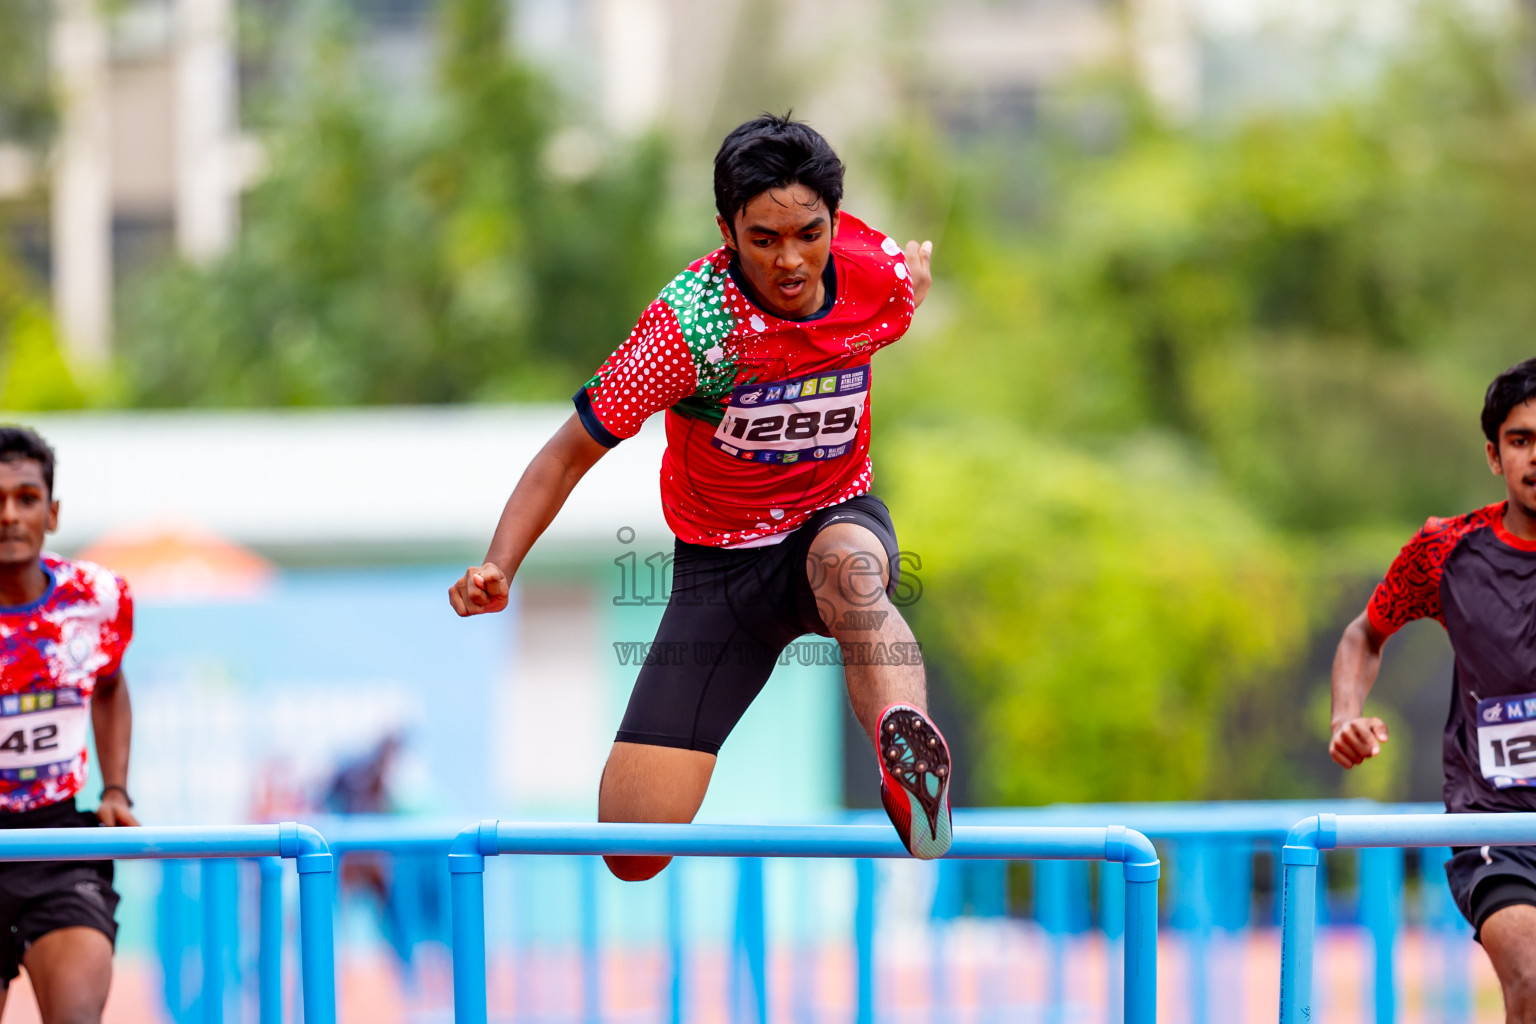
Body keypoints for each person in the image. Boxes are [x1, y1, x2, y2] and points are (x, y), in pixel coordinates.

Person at [450, 113, 952, 877]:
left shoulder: (876, 274)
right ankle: (882, 758)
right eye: (763, 240)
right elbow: (564, 456)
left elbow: (887, 311)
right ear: (727, 231)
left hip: (832, 519)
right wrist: (500, 564)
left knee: (850, 570)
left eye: (809, 234)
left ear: (835, 220)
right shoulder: (687, 331)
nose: (791, 261)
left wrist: (909, 285)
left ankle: (908, 767)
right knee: (631, 851)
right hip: (720, 569)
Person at [1330, 356, 1536, 1023]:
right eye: (1521, 439)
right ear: (1494, 455)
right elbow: (1364, 635)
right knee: (1532, 978)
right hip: (1496, 827)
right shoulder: (1446, 552)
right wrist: (1344, 717)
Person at [0, 425, 137, 1024]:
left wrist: (114, 789)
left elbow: (108, 685)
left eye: (26, 498)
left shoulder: (96, 598)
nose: (8, 516)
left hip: (58, 844)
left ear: (51, 513)